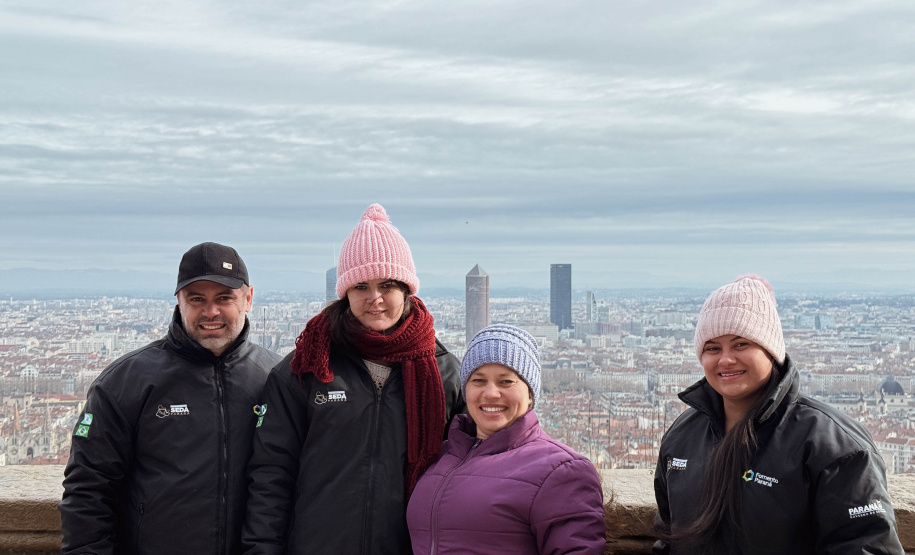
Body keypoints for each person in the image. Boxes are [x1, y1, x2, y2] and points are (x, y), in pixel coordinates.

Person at [242, 203, 465, 554]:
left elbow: (467, 473)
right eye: (361, 286)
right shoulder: (308, 367)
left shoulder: (443, 373)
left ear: (407, 289)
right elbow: (271, 475)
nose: (374, 299)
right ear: (345, 293)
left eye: (387, 284)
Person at [653, 275, 904, 554]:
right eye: (712, 348)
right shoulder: (682, 436)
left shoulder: (834, 447)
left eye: (741, 344)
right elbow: (668, 539)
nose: (725, 359)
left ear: (771, 351)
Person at [59, 242, 281, 555]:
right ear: (178, 301)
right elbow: (88, 490)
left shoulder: (276, 377)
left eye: (224, 298)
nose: (210, 311)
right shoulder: (126, 381)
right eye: (196, 299)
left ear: (248, 298)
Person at [406, 324, 606, 555]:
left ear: (530, 394)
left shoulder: (562, 470)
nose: (490, 393)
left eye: (506, 382)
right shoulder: (440, 456)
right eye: (478, 380)